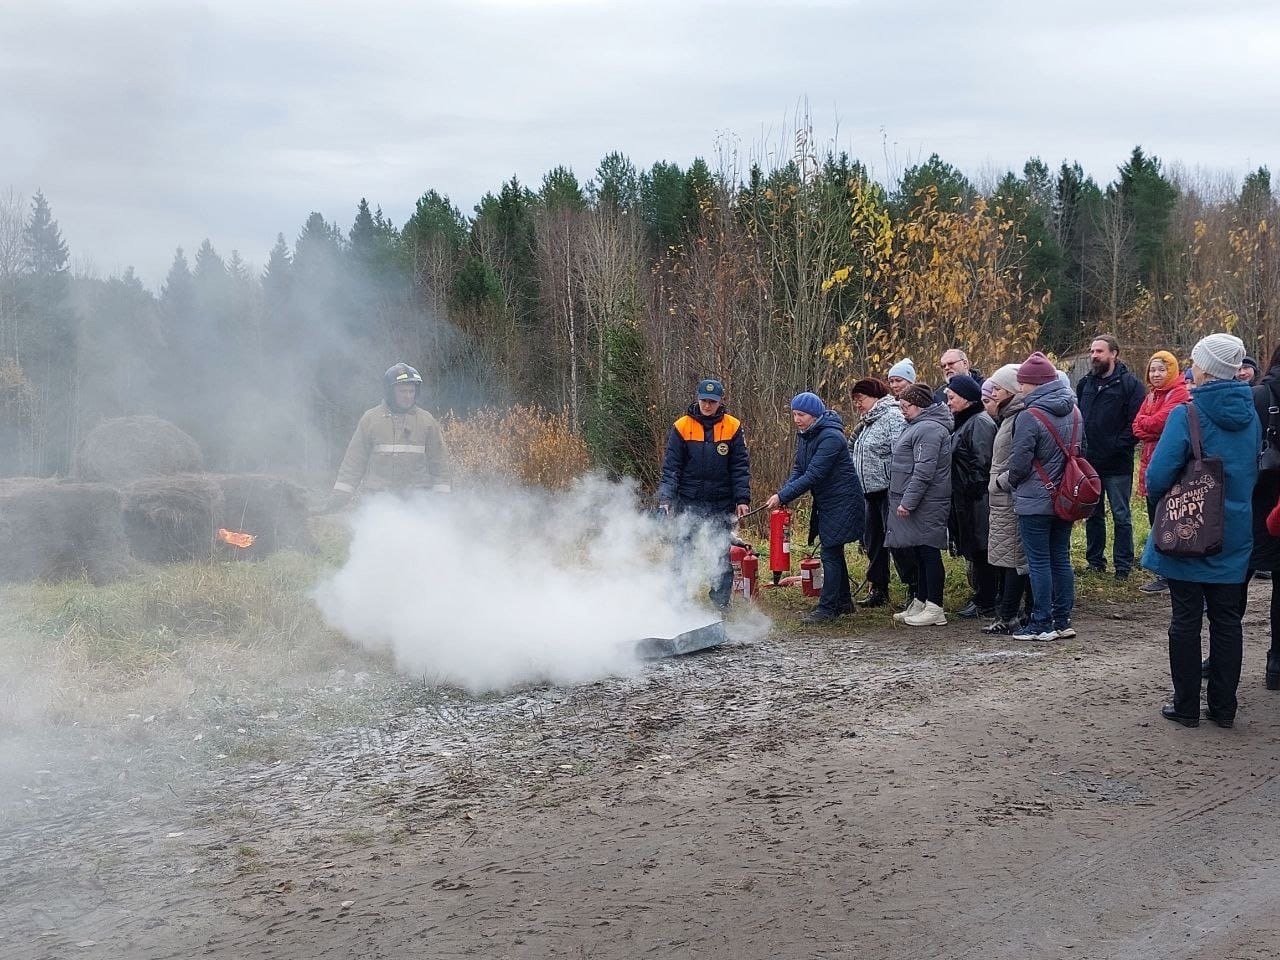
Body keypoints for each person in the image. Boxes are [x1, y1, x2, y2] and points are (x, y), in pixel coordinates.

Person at [1142, 334, 1259, 728]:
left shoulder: (1187, 414)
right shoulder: (1252, 413)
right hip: (1235, 531)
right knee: (1228, 621)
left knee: (1186, 619)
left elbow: (1158, 475)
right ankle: (1224, 709)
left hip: (1190, 531)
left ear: (1206, 367)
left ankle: (1186, 706)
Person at [995, 352, 1079, 642]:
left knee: (1038, 561)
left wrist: (1003, 481)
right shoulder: (1074, 410)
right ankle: (1062, 619)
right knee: (1061, 558)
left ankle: (1041, 622)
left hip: (1034, 499)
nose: (1020, 388)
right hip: (1066, 497)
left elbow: (1018, 464)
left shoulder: (1030, 416)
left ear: (1035, 384)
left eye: (1023, 383)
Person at [765, 393, 864, 623]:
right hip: (827, 501)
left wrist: (782, 496)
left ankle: (827, 609)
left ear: (815, 415)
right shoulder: (806, 436)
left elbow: (814, 474)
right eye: (794, 414)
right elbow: (799, 469)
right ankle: (843, 602)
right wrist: (784, 494)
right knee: (834, 550)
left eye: (801, 415)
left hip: (843, 501)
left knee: (829, 552)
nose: (796, 419)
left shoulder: (831, 437)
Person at [657, 378, 751, 610]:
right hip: (688, 500)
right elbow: (672, 467)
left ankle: (720, 602)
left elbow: (739, 466)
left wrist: (742, 499)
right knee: (683, 551)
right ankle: (677, 601)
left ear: (720, 402)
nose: (707, 405)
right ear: (697, 399)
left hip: (721, 501)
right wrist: (666, 498)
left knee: (721, 552)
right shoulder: (681, 426)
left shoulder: (732, 426)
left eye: (712, 401)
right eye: (703, 401)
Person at [331, 362, 451, 504]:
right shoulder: (371, 419)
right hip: (378, 500)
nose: (408, 396)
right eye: (402, 391)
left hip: (417, 500)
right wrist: (341, 494)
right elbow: (355, 460)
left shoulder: (426, 421)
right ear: (390, 392)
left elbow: (439, 462)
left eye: (411, 391)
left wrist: (442, 497)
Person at [1076, 334, 1144, 579]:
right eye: (1092, 351)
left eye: (1099, 351)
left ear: (1114, 353)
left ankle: (1123, 566)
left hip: (1118, 464)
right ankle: (1095, 562)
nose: (1094, 356)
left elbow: (1135, 424)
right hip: (1089, 463)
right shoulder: (1085, 384)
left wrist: (1116, 445)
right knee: (1092, 514)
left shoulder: (1131, 385)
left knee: (1121, 515)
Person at [885, 383, 953, 627]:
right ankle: (921, 600)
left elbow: (924, 471)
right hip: (919, 501)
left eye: (906, 406)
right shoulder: (917, 426)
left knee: (929, 551)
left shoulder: (930, 430)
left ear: (921, 405)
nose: (903, 410)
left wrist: (908, 502)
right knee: (920, 551)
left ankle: (935, 606)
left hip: (927, 502)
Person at [848, 378, 914, 608]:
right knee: (873, 541)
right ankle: (878, 587)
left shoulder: (892, 417)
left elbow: (900, 452)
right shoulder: (867, 421)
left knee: (897, 542)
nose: (857, 404)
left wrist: (898, 487)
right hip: (869, 491)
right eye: (855, 400)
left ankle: (913, 588)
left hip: (889, 490)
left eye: (861, 399)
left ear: (875, 396)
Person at [1132, 350, 1190, 594]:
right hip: (1149, 463)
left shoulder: (1179, 394)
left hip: (1169, 467)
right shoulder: (1152, 396)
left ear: (1172, 370)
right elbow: (1137, 426)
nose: (1156, 374)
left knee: (1170, 520)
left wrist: (1150, 424)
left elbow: (1159, 423)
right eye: (1153, 370)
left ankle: (1171, 574)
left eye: (1161, 369)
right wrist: (1150, 424)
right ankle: (1163, 572)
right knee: (1156, 519)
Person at [944, 374, 998, 617]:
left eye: (952, 398)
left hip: (979, 499)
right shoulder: (964, 422)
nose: (948, 403)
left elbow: (983, 461)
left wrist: (972, 490)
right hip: (966, 498)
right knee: (976, 549)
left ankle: (986, 599)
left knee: (983, 548)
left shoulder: (979, 423)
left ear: (966, 399)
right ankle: (982, 595)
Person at [984, 364, 1032, 634]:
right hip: (1001, 498)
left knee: (1013, 558)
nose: (995, 393)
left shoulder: (1018, 419)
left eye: (999, 388)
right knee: (1005, 557)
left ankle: (1010, 614)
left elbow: (1020, 459)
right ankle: (1008, 611)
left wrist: (1001, 481)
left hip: (1009, 497)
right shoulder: (1008, 417)